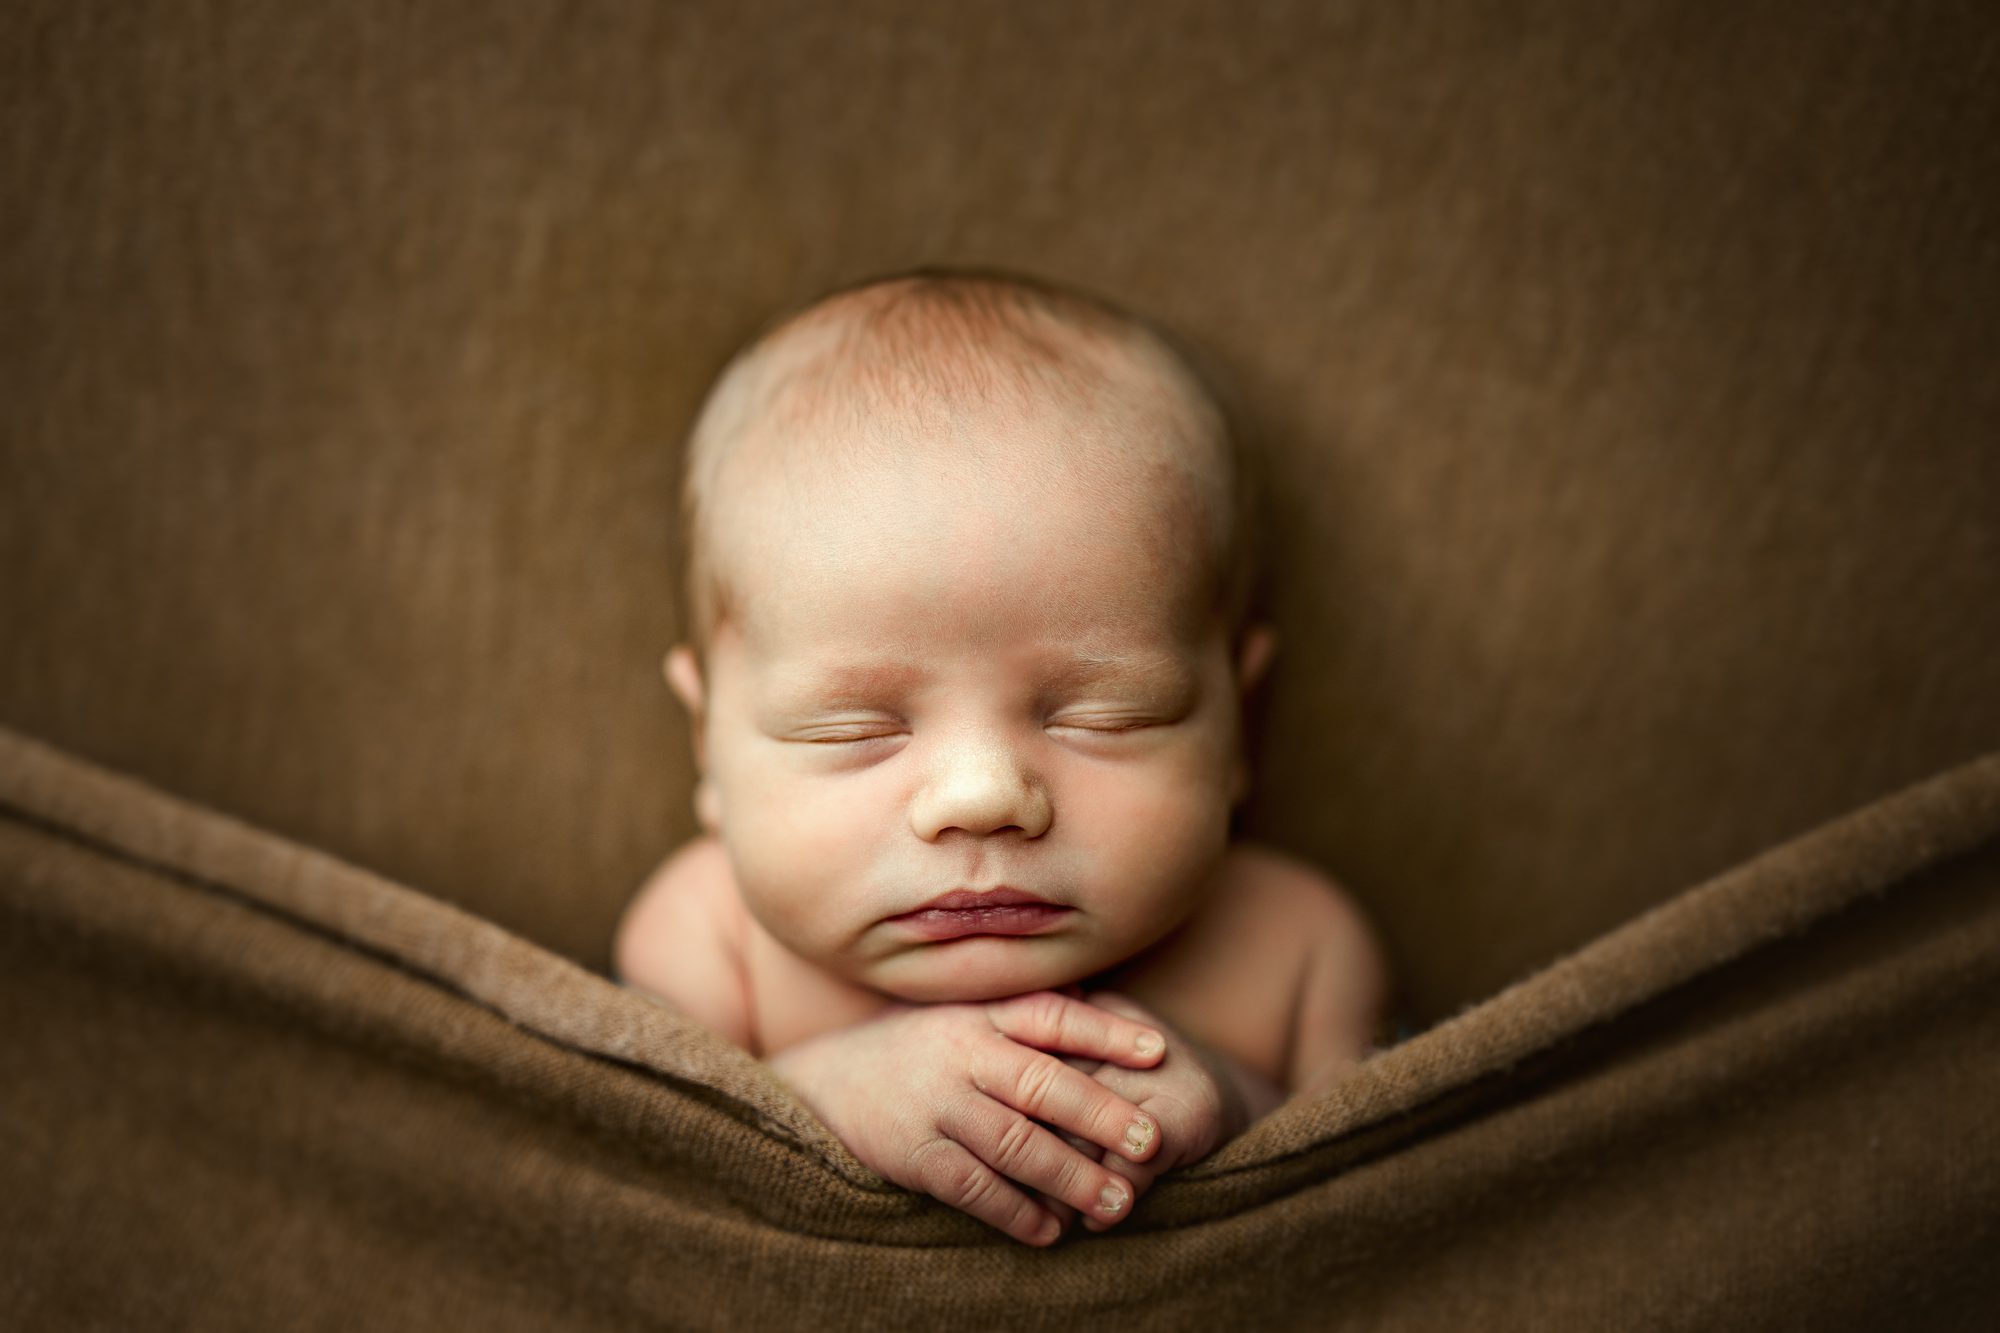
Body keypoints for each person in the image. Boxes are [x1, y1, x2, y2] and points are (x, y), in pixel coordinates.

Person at [615, 269, 1386, 1246]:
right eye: (852, 728)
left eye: (1106, 714)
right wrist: (817, 1097)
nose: (981, 797)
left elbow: (1371, 1233)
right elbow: (636, 1192)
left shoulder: (1296, 951)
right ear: (708, 744)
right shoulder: (707, 944)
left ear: (1240, 721)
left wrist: (1230, 1101)